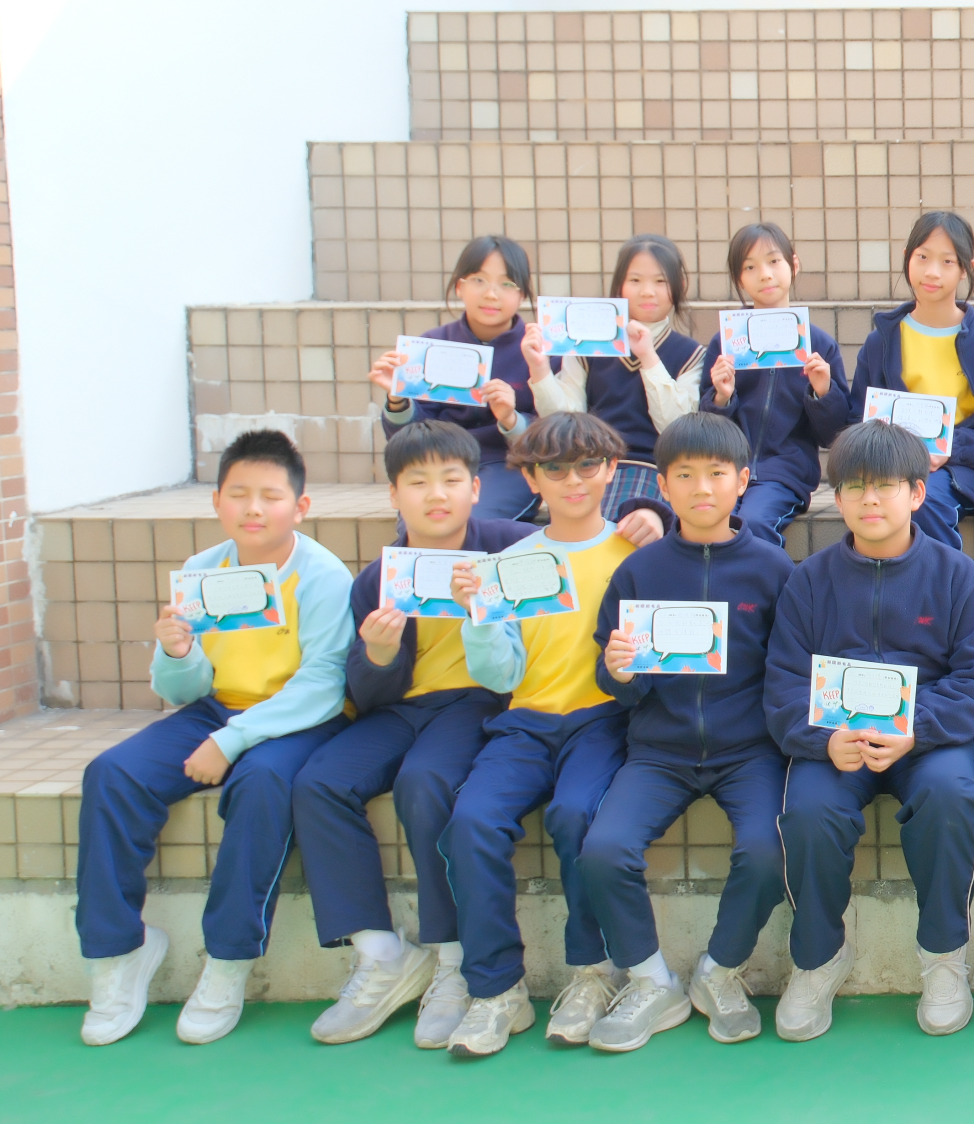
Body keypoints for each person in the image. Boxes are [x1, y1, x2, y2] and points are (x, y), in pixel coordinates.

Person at [77, 430, 353, 1046]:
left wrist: (233, 742)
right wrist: (177, 652)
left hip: (299, 719)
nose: (254, 509)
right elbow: (182, 689)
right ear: (217, 502)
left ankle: (228, 960)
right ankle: (118, 951)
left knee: (261, 784)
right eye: (239, 494)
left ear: (300, 507)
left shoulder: (322, 576)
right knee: (112, 775)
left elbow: (323, 684)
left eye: (271, 496)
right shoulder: (202, 571)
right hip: (215, 709)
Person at [291, 421, 537, 1047]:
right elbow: (366, 691)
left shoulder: (512, 547)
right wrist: (377, 654)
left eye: (451, 479)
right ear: (394, 494)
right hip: (400, 709)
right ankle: (380, 952)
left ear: (476, 488)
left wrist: (645, 516)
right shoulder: (377, 578)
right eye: (418, 482)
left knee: (425, 782)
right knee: (320, 782)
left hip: (475, 705)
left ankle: (453, 960)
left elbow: (581, 545)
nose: (437, 495)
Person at [763, 420, 974, 1040]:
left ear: (917, 493)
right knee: (809, 812)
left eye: (885, 486)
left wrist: (917, 730)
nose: (869, 499)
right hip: (835, 741)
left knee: (950, 797)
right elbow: (784, 686)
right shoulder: (808, 581)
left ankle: (944, 956)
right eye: (854, 487)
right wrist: (823, 740)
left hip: (927, 740)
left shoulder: (956, 576)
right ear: (837, 497)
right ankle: (818, 957)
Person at [577, 413, 797, 1051]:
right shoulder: (638, 572)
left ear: (743, 481)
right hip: (658, 752)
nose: (702, 488)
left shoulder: (772, 569)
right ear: (662, 486)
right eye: (685, 475)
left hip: (750, 751)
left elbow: (790, 666)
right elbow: (614, 677)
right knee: (603, 850)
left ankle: (719, 971)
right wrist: (621, 672)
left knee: (768, 850)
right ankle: (651, 981)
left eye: (717, 474)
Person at [435, 413, 651, 1060]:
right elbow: (499, 674)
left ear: (611, 471)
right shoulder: (508, 564)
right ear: (531, 478)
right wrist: (478, 616)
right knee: (471, 820)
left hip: (602, 721)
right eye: (554, 469)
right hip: (525, 723)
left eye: (588, 465)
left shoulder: (635, 553)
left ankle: (591, 973)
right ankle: (495, 987)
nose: (573, 480)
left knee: (576, 813)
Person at [845, 211, 974, 550]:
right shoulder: (882, 341)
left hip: (967, 470)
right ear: (907, 258)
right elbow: (858, 420)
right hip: (893, 468)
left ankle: (949, 582)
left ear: (965, 268)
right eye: (923, 257)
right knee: (881, 501)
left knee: (920, 501)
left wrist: (950, 448)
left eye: (947, 261)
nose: (932, 272)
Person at [526, 233, 705, 523]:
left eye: (660, 281)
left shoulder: (692, 354)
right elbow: (564, 420)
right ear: (619, 285)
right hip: (590, 467)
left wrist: (648, 357)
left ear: (680, 285)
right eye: (635, 280)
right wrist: (540, 369)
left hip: (655, 470)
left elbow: (676, 427)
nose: (647, 291)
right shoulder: (586, 345)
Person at [699, 221, 851, 546]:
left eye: (773, 261)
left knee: (752, 524)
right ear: (738, 278)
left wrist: (822, 392)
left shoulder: (818, 345)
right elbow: (706, 425)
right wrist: (722, 398)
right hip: (726, 468)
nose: (765, 274)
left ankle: (767, 580)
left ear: (793, 264)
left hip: (785, 473)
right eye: (750, 267)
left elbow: (834, 434)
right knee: (707, 522)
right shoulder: (727, 343)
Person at [371, 234, 541, 518]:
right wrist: (398, 398)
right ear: (460, 287)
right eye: (478, 280)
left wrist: (511, 419)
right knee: (421, 520)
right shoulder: (432, 346)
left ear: (522, 294)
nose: (491, 294)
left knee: (470, 519)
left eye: (507, 283)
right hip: (438, 463)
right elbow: (408, 437)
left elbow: (554, 431)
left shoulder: (537, 350)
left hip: (508, 465)